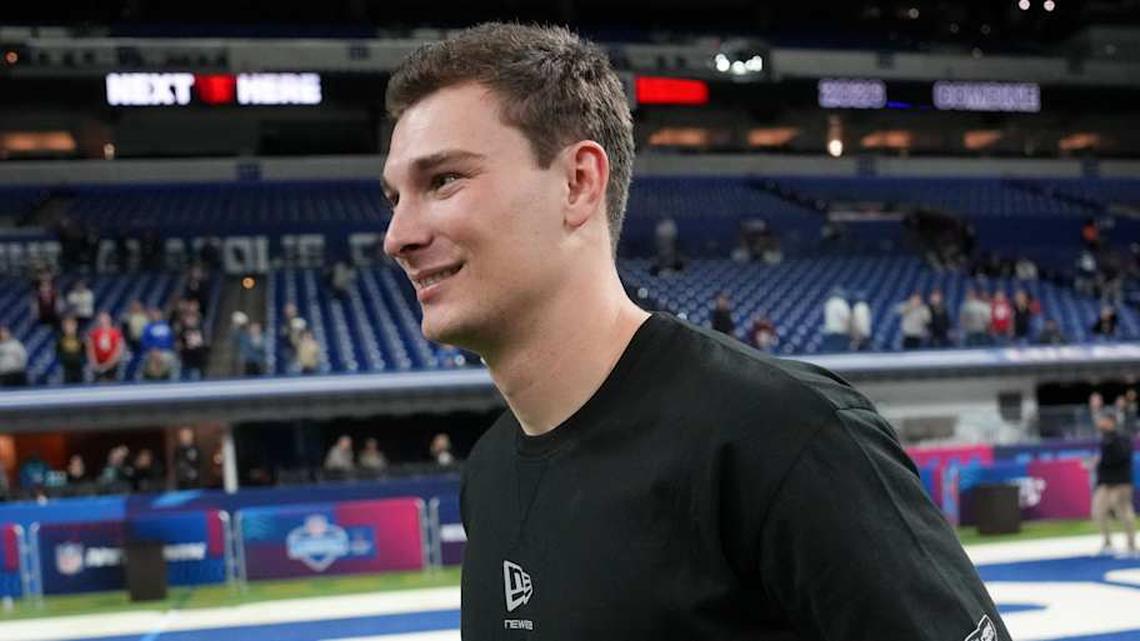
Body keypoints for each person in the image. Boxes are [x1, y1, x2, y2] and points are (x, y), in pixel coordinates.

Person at [381, 23, 1008, 640]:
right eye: (394, 198)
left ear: (577, 184)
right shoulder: (488, 474)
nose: (397, 237)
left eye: (444, 181)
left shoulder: (783, 436)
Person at [1092, 412, 1136, 556]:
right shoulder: (1104, 439)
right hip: (1105, 483)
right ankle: (1107, 543)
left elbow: (1120, 457)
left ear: (1110, 421)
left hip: (1121, 482)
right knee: (1098, 511)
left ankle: (1131, 545)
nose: (1100, 423)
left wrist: (1102, 460)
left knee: (1124, 512)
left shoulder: (1121, 438)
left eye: (1102, 420)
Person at [87, 311, 124, 382]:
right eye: (101, 320)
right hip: (98, 365)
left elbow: (118, 350)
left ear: (109, 320)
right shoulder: (94, 334)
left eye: (105, 319)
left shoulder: (116, 333)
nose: (103, 322)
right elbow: (90, 350)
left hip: (112, 366)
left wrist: (108, 365)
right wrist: (95, 364)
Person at [56, 316, 87, 384]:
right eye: (67, 326)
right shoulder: (60, 339)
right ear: (64, 327)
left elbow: (84, 352)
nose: (70, 328)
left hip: (78, 367)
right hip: (67, 368)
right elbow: (58, 352)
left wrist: (80, 361)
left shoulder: (80, 338)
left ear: (75, 326)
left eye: (71, 325)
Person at [821, 288, 851, 352]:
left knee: (830, 354)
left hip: (829, 332)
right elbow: (845, 318)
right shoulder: (841, 303)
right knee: (840, 355)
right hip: (840, 333)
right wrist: (849, 330)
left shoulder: (828, 303)